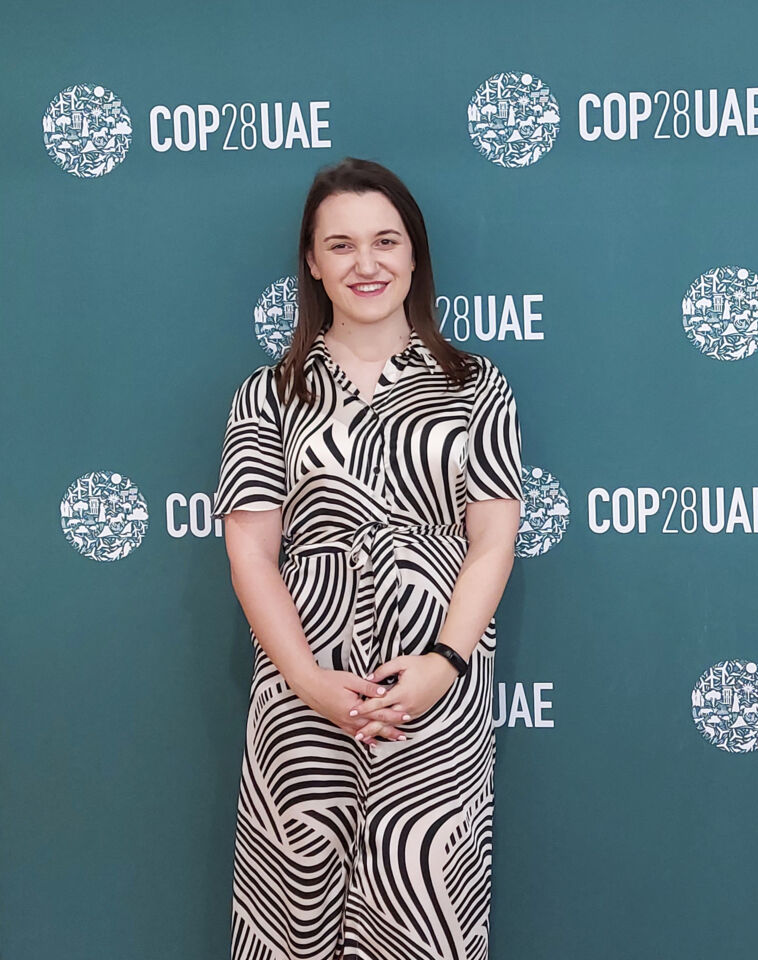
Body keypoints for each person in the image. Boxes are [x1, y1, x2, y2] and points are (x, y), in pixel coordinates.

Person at [213, 157, 523, 960]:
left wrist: (445, 663)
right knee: (294, 910)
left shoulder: (476, 386)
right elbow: (251, 555)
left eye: (386, 241)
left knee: (423, 903)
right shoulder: (268, 393)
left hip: (431, 687)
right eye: (341, 245)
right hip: (302, 685)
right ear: (312, 263)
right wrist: (309, 681)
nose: (367, 263)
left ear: (415, 255)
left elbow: (492, 540)